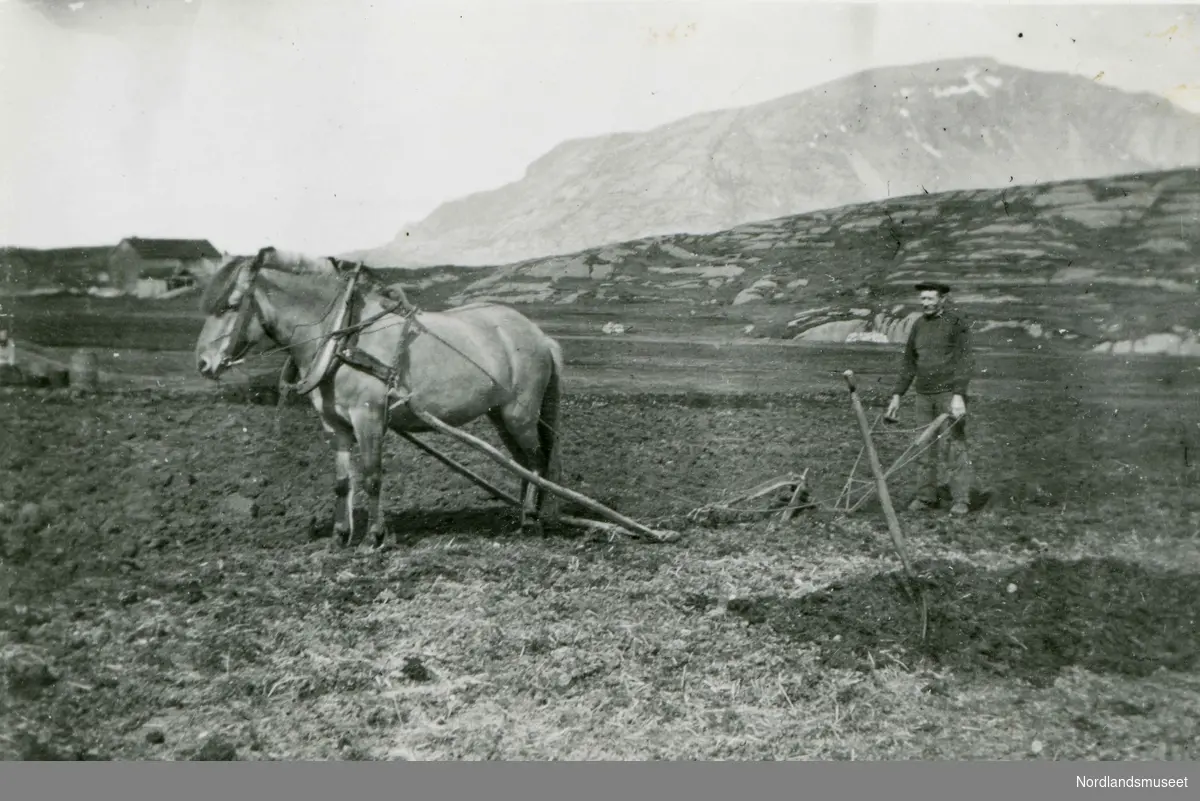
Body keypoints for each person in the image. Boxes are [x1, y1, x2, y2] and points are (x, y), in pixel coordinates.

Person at [885, 281, 975, 516]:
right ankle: (926, 496)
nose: (925, 303)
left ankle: (961, 499)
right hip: (923, 395)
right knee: (923, 446)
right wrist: (897, 395)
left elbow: (965, 361)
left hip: (948, 395)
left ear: (942, 299)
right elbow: (909, 363)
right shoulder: (918, 325)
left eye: (929, 299)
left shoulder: (956, 324)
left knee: (953, 446)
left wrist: (958, 395)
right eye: (922, 299)